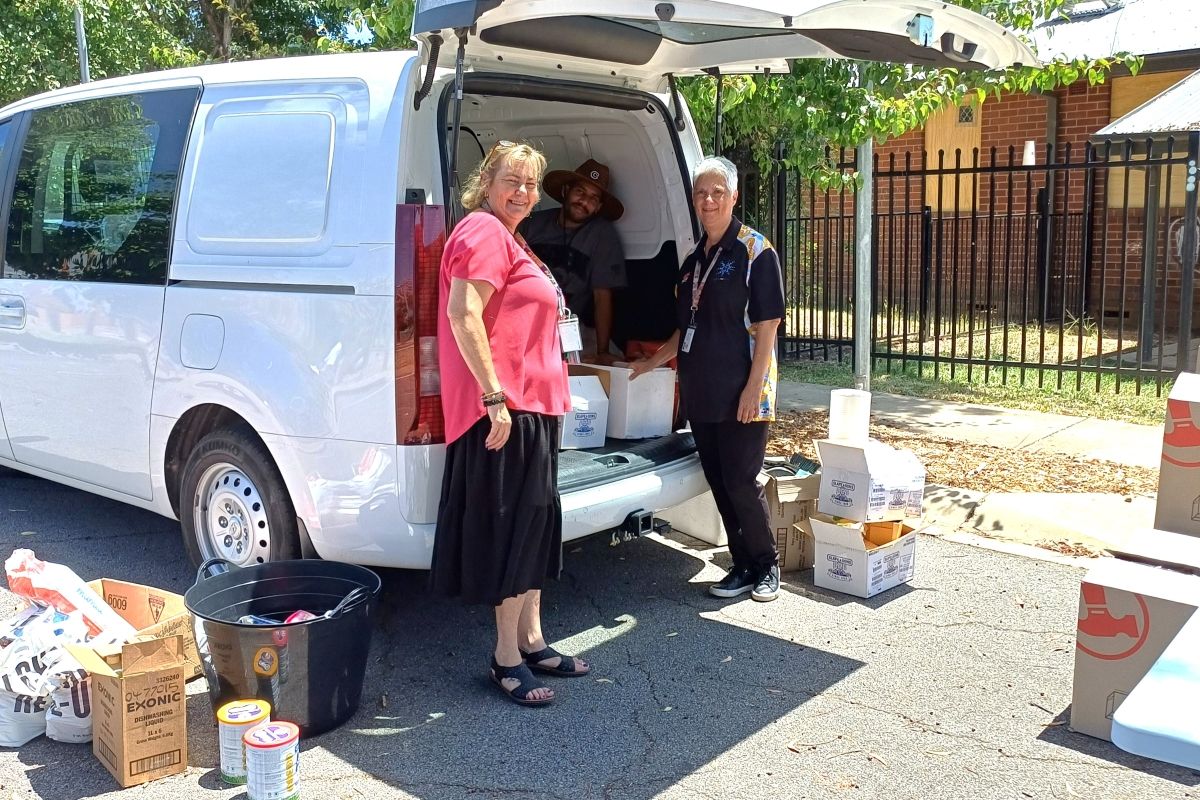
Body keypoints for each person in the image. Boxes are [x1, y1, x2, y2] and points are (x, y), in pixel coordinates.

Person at [431, 140, 591, 707]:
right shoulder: (481, 232)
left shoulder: (512, 237)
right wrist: (493, 397)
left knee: (534, 528)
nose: (522, 192)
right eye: (511, 181)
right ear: (487, 183)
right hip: (506, 410)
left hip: (535, 406)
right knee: (511, 532)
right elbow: (462, 313)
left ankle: (532, 639)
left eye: (530, 183)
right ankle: (504, 658)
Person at [631, 156, 785, 602]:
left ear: (735, 196)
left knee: (741, 479)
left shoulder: (756, 252)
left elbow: (768, 326)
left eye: (718, 191)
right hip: (703, 391)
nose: (709, 199)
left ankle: (767, 563)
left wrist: (754, 390)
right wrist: (652, 362)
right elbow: (686, 327)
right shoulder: (692, 261)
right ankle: (741, 565)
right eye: (701, 193)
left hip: (743, 390)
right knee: (719, 481)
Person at [520, 159, 626, 363]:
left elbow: (602, 296)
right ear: (566, 191)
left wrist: (602, 351)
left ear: (598, 207)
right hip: (524, 319)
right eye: (580, 192)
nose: (585, 202)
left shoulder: (602, 234)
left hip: (569, 325)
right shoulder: (531, 224)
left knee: (615, 366)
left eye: (593, 198)